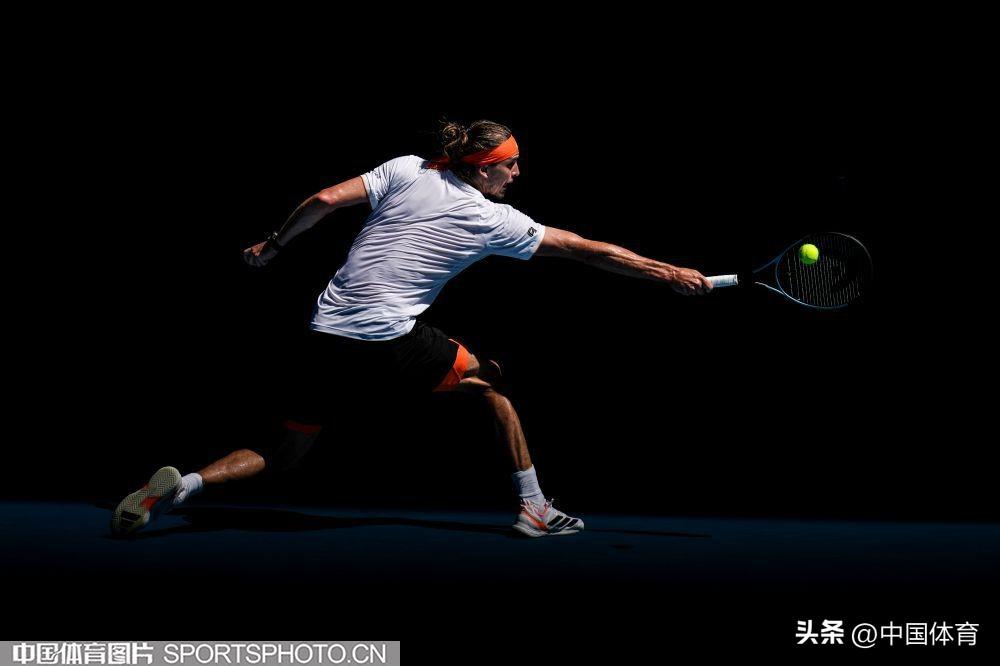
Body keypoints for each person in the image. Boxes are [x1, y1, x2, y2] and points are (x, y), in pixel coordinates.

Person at [110, 119, 712, 538]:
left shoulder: (406, 168)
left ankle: (180, 487)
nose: (518, 173)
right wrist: (668, 273)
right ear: (483, 169)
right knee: (493, 389)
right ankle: (534, 509)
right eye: (510, 164)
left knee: (284, 450)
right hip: (385, 338)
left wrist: (274, 245)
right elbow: (584, 249)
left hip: (323, 332)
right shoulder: (490, 218)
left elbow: (324, 200)